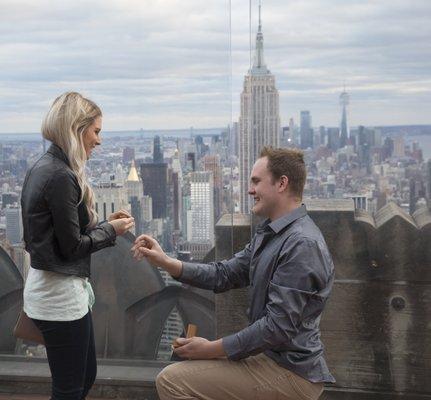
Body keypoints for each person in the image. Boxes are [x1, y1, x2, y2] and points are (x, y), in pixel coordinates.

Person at [132, 146, 335, 400]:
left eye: (256, 181)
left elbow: (276, 328)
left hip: (291, 373)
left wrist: (210, 349)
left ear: (282, 183)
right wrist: (166, 262)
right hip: (272, 360)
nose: (250, 190)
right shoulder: (274, 233)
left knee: (173, 382)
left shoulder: (301, 244)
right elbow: (225, 273)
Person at [21, 92, 134, 400]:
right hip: (58, 297)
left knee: (84, 377)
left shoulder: (45, 167)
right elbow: (71, 247)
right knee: (70, 388)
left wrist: (102, 224)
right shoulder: (60, 175)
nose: (99, 140)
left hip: (58, 291)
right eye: (95, 131)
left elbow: (61, 235)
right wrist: (111, 230)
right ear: (76, 128)